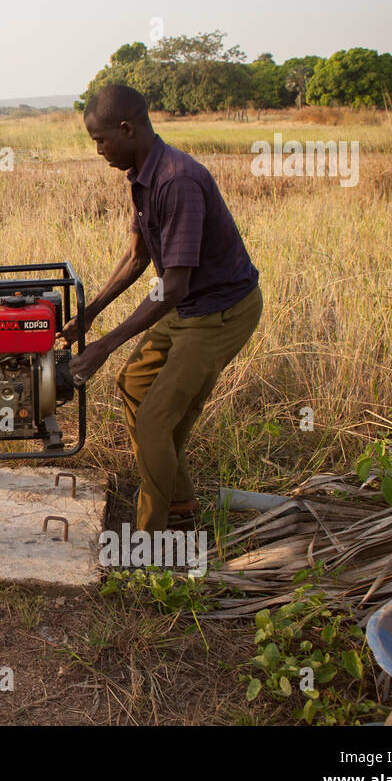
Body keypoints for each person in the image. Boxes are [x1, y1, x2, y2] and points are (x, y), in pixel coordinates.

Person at [63, 84, 262, 533]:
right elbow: (137, 259)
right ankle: (180, 501)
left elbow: (171, 288)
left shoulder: (177, 180)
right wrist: (92, 312)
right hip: (188, 303)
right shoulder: (142, 174)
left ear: (127, 128)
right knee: (133, 385)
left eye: (100, 140)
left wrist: (105, 345)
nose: (98, 150)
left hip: (219, 310)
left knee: (155, 421)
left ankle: (151, 540)